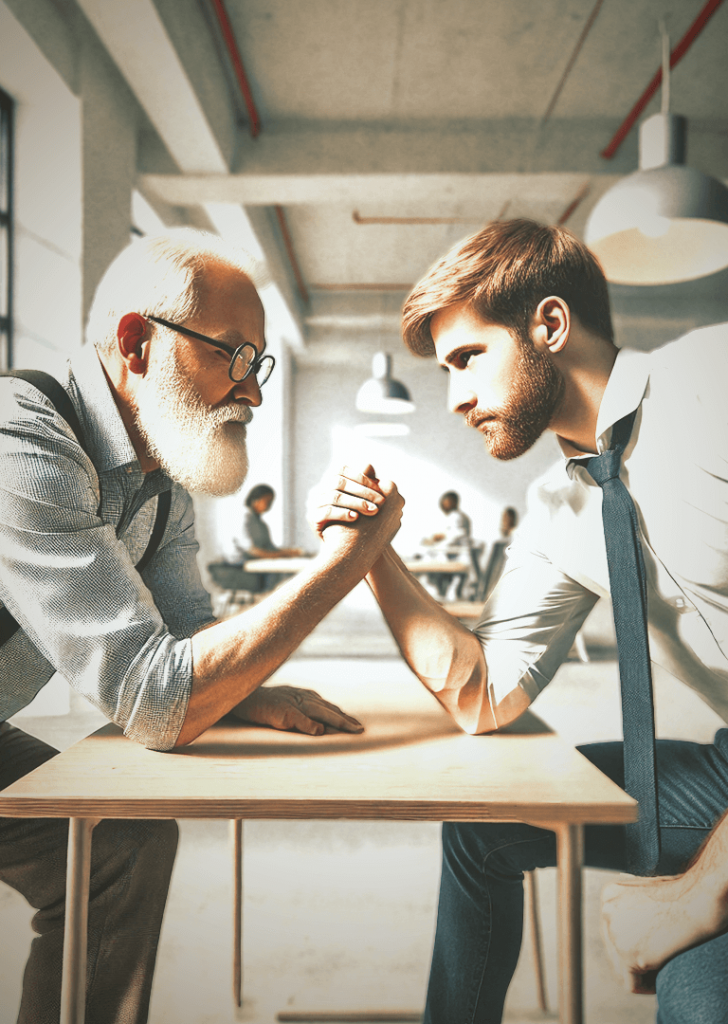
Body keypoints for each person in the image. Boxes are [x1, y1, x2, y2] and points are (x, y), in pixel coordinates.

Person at [310, 218, 728, 1023]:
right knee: (482, 824)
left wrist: (700, 895)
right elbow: (484, 696)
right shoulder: (559, 508)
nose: (456, 398)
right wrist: (373, 556)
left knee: (696, 1003)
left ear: (549, 324)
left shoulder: (712, 379)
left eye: (468, 358)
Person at [0, 228, 404, 1024]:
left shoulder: (161, 493)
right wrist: (345, 563)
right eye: (234, 357)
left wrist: (249, 692)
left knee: (121, 845)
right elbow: (156, 703)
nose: (252, 391)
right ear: (135, 342)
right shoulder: (22, 443)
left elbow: (187, 647)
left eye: (259, 364)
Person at [421, 490, 472, 598]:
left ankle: (440, 593)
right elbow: (451, 534)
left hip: (456, 555)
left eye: (447, 502)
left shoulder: (457, 516)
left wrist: (440, 541)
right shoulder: (454, 517)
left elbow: (456, 535)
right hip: (453, 552)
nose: (444, 504)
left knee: (431, 563)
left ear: (454, 502)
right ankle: (440, 592)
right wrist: (440, 536)